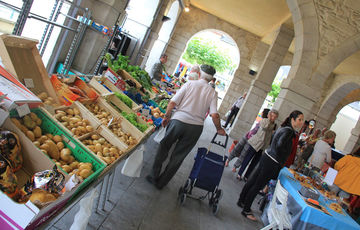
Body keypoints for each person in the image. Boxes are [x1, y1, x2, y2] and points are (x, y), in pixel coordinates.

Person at [146, 65, 226, 189]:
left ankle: (153, 175)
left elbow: (172, 102)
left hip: (178, 121)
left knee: (164, 147)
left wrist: (166, 117)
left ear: (199, 74)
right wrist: (219, 129)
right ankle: (162, 183)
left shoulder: (189, 84)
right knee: (178, 156)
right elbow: (214, 115)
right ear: (211, 79)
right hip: (195, 128)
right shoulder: (213, 93)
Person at [237, 110, 304, 221]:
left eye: (302, 120)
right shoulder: (289, 132)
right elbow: (280, 145)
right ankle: (246, 209)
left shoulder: (284, 128)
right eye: (299, 119)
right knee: (257, 185)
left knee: (253, 180)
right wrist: (281, 158)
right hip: (272, 161)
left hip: (267, 157)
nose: (301, 122)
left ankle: (242, 201)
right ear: (293, 120)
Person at [236, 109, 279, 181]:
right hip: (255, 143)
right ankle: (240, 173)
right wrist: (268, 119)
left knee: (254, 162)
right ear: (269, 115)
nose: (273, 118)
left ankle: (247, 176)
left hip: (263, 146)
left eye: (275, 117)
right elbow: (265, 127)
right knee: (247, 158)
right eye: (272, 116)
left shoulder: (275, 125)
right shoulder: (264, 120)